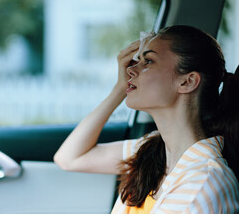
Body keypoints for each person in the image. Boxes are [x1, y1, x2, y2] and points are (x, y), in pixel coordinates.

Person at [54, 25, 239, 213]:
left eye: (148, 61)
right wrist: (120, 88)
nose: (131, 71)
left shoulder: (201, 186)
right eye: (138, 61)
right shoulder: (153, 149)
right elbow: (69, 158)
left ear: (187, 81)